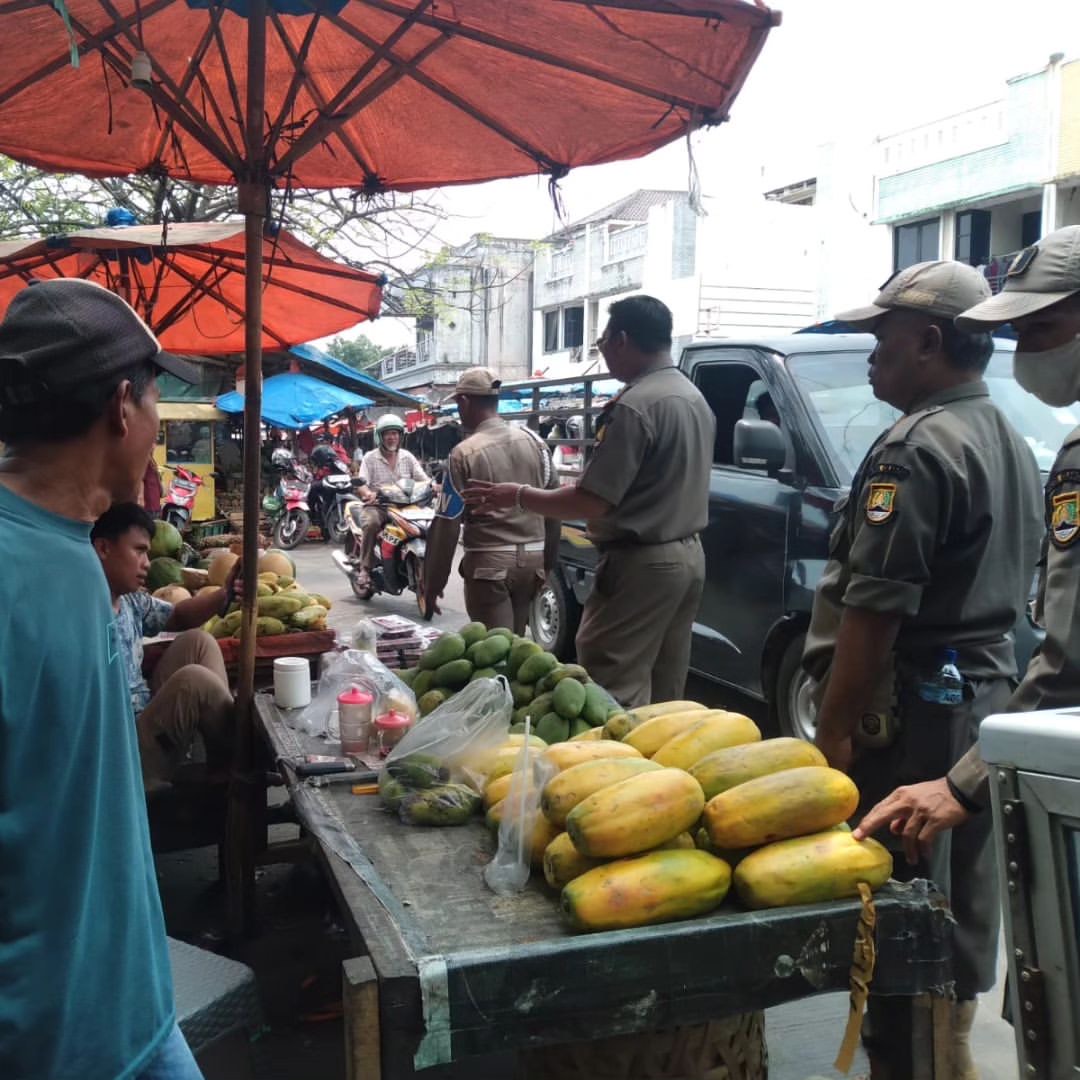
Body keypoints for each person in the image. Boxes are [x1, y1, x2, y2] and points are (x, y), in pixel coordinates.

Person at [802, 260, 1044, 1078]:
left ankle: (920, 1061)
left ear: (930, 342)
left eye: (884, 338)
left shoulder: (915, 447)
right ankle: (949, 1054)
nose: (872, 355)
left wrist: (834, 732)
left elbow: (873, 612)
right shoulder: (1001, 432)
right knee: (959, 900)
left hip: (916, 712)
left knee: (905, 905)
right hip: (978, 699)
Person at [0, 278, 204, 1077]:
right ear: (124, 406)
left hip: (133, 1007)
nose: (156, 427)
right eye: (155, 401)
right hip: (51, 1041)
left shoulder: (78, 553)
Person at [855, 227, 1080, 862]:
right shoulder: (1007, 434)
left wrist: (966, 782)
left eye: (1043, 328)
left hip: (936, 692)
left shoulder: (920, 445)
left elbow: (1070, 656)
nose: (1027, 351)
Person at [463, 295, 715, 707]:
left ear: (622, 339)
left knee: (609, 683)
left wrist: (519, 495)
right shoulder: (693, 397)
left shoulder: (635, 406)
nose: (604, 352)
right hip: (688, 557)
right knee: (665, 686)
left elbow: (591, 501)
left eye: (602, 342)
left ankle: (614, 750)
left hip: (642, 564)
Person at [91, 502, 236, 794]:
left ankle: (224, 762)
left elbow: (178, 616)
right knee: (194, 681)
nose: (147, 563)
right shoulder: (84, 611)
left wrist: (226, 593)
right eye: (139, 551)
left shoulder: (130, 601)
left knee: (199, 642)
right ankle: (238, 761)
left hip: (144, 717)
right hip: (119, 751)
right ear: (103, 548)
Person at [422, 367, 559, 634]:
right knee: (516, 643)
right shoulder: (536, 443)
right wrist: (547, 565)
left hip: (490, 567)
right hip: (533, 562)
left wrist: (433, 583)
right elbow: (553, 510)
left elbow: (447, 525)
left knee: (494, 649)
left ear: (464, 401)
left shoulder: (463, 453)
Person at [354, 414, 429, 589]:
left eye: (395, 433)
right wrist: (368, 493)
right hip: (379, 506)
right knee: (371, 523)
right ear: (379, 436)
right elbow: (362, 483)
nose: (392, 437)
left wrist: (433, 486)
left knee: (427, 524)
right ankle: (365, 568)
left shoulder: (407, 456)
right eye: (387, 434)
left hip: (407, 505)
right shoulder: (370, 458)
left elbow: (423, 479)